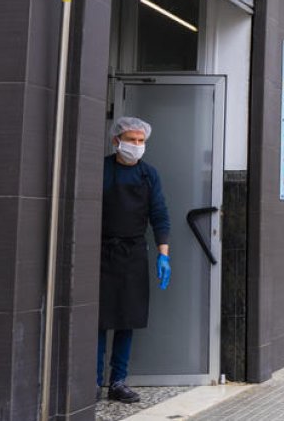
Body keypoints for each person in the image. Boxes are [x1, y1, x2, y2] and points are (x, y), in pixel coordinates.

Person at [96, 117, 171, 404]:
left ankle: (118, 381)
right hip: (102, 251)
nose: (136, 146)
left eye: (141, 141)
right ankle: (93, 380)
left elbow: (159, 214)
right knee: (100, 320)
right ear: (116, 141)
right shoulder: (102, 169)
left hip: (134, 253)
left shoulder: (149, 174)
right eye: (131, 140)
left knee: (128, 319)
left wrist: (164, 254)